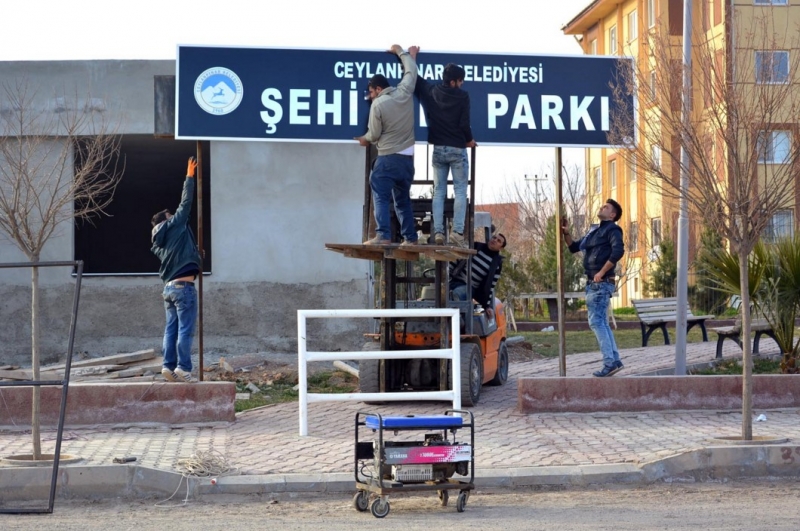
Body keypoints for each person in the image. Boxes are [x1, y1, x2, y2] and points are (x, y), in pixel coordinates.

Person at [408, 49, 476, 248]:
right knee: (460, 190)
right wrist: (470, 140)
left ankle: (438, 232)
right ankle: (457, 232)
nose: (462, 84)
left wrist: (412, 57)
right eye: (460, 80)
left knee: (438, 192)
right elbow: (464, 124)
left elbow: (414, 78)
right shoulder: (463, 97)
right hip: (457, 148)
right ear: (454, 81)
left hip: (438, 149)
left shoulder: (432, 91)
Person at [356, 44, 419, 246]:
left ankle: (383, 235)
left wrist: (364, 139)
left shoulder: (378, 104)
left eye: (371, 92)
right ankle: (410, 238)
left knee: (380, 196)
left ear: (378, 89)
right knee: (403, 201)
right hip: (407, 161)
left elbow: (374, 134)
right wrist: (403, 52)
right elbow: (411, 71)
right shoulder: (405, 92)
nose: (370, 96)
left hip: (388, 159)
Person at [151, 156, 203, 383]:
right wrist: (189, 177)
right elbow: (186, 203)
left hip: (169, 289)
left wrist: (197, 256)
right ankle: (183, 368)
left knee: (170, 329)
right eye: (170, 215)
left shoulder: (160, 243)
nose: (173, 215)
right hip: (184, 289)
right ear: (166, 220)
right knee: (185, 330)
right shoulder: (174, 225)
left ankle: (167, 366)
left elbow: (180, 255)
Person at [562, 199, 625, 377]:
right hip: (594, 283)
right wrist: (566, 233)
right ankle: (615, 361)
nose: (602, 207)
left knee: (596, 322)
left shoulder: (613, 229)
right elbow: (574, 247)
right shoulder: (595, 231)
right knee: (601, 322)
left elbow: (618, 251)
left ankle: (609, 363)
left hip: (601, 283)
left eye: (606, 207)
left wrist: (601, 272)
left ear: (612, 215)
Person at [449, 233, 507, 320]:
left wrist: (486, 306)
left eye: (498, 241)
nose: (495, 240)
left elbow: (491, 286)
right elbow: (456, 259)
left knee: (456, 294)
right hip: (455, 281)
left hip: (469, 288)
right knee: (437, 292)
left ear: (501, 248)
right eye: (494, 237)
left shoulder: (496, 263)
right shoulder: (476, 246)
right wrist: (447, 273)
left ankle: (457, 319)